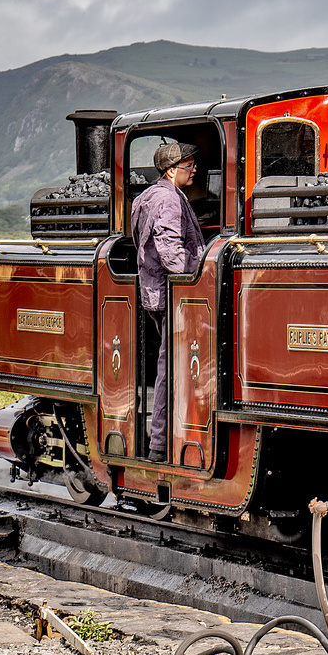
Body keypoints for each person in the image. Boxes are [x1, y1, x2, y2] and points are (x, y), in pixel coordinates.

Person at [129, 141, 204, 460]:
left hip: (157, 293)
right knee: (171, 369)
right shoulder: (168, 199)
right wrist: (202, 271)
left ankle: (164, 439)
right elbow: (170, 251)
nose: (194, 170)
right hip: (172, 295)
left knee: (169, 366)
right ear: (172, 170)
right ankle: (160, 444)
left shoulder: (147, 196)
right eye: (189, 166)